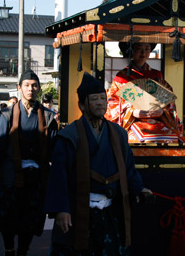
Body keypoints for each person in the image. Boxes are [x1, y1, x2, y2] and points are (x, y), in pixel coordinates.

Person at [45, 72, 153, 255]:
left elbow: (128, 168)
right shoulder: (69, 136)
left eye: (103, 98)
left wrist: (139, 188)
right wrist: (61, 210)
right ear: (81, 105)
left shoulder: (118, 133)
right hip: (79, 211)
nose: (101, 103)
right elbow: (59, 176)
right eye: (94, 99)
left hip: (109, 210)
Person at [0, 70, 58, 256]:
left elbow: (53, 148)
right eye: (26, 85)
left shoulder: (48, 116)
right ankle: (9, 249)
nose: (31, 89)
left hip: (36, 175)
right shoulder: (7, 114)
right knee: (8, 216)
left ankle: (23, 251)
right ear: (19, 88)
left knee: (31, 218)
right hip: (11, 173)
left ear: (39, 88)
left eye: (34, 85)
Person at [105, 42, 185, 143]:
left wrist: (163, 110)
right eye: (139, 49)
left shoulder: (156, 75)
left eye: (147, 49)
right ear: (131, 51)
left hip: (158, 120)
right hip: (133, 121)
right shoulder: (122, 77)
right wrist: (133, 112)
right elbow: (112, 103)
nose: (143, 53)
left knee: (172, 139)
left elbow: (169, 102)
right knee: (137, 139)